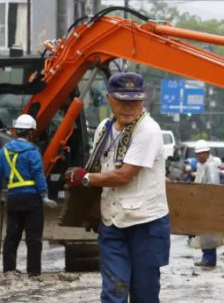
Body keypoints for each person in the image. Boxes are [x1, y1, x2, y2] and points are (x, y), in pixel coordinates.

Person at [64, 72, 170, 303]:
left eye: (134, 101)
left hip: (146, 223)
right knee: (114, 290)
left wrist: (85, 179)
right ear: (109, 99)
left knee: (145, 294)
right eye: (122, 101)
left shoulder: (148, 130)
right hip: (112, 221)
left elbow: (123, 176)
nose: (129, 107)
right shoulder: (104, 127)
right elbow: (99, 165)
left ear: (143, 101)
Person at [0, 114, 57, 276]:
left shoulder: (3, 152)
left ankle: (9, 271)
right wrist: (44, 195)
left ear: (16, 131)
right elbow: (38, 174)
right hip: (32, 200)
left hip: (13, 199)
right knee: (33, 238)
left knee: (11, 236)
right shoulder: (32, 151)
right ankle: (33, 273)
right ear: (31, 133)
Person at [190, 140, 223, 268]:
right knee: (204, 234)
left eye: (202, 153)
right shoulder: (203, 166)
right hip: (202, 204)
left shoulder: (211, 166)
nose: (200, 156)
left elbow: (212, 187)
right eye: (198, 154)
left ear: (207, 153)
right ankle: (207, 257)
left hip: (209, 204)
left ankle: (209, 259)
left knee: (208, 234)